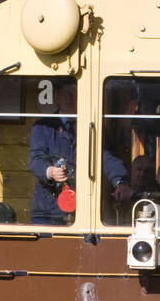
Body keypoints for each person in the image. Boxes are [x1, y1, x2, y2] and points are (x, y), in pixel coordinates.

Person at [29, 81, 131, 224]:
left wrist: (120, 181)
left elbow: (106, 158)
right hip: (47, 211)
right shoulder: (43, 126)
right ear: (57, 97)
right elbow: (35, 160)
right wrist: (51, 171)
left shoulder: (93, 127)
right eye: (66, 94)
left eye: (75, 94)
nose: (71, 98)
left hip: (85, 208)